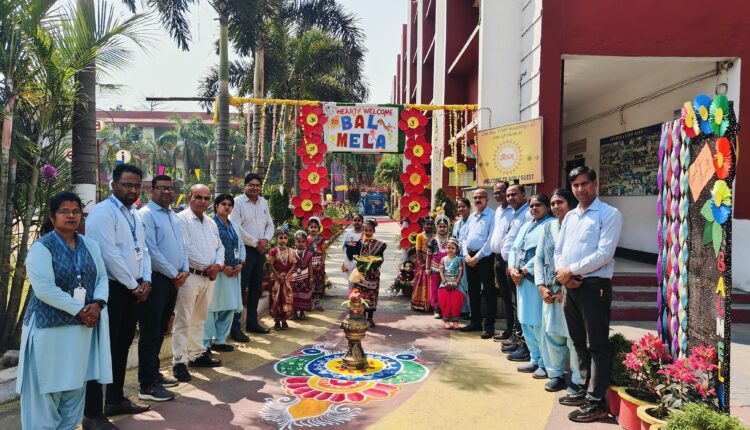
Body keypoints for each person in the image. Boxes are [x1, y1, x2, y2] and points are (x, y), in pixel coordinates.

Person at [18, 192, 112, 430]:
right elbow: (44, 289)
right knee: (45, 393)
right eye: (64, 211)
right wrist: (81, 309)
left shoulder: (90, 245)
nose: (71, 216)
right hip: (48, 331)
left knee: (74, 390)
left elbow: (102, 277)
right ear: (52, 217)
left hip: (81, 332)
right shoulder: (41, 247)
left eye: (76, 211)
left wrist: (98, 303)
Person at [84, 164, 151, 429]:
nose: (133, 190)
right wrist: (135, 285)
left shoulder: (133, 213)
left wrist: (145, 280)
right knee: (103, 350)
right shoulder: (103, 212)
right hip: (111, 290)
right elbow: (108, 255)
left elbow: (143, 249)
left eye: (137, 186)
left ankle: (115, 399)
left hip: (133, 289)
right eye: (127, 185)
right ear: (113, 185)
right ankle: (92, 414)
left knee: (122, 346)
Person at [555, 166, 623, 423]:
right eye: (575, 185)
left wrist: (571, 271)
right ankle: (584, 389)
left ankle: (596, 403)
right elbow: (559, 250)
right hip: (570, 285)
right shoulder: (571, 216)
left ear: (595, 184)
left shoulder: (609, 214)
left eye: (585, 183)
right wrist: (564, 274)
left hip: (595, 286)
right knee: (578, 341)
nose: (580, 189)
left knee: (597, 344)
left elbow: (604, 254)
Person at [137, 175, 186, 403]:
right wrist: (174, 273)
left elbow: (182, 247)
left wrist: (184, 270)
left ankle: (154, 373)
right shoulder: (146, 215)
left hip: (173, 281)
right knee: (150, 332)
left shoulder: (173, 216)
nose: (166, 192)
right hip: (156, 280)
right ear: (151, 190)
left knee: (161, 329)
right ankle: (147, 384)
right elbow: (151, 251)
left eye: (170, 188)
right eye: (161, 188)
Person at [172, 184, 225, 382]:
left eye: (206, 198)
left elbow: (220, 248)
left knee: (200, 318)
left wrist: (218, 265)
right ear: (189, 198)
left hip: (208, 278)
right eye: (198, 197)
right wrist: (208, 267)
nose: (203, 201)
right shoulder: (181, 219)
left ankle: (197, 354)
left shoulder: (211, 222)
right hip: (190, 277)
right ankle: (179, 361)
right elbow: (185, 249)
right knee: (183, 320)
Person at [535, 188, 581, 393]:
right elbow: (539, 258)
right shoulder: (548, 227)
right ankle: (556, 375)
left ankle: (577, 379)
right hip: (549, 293)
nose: (555, 207)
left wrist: (566, 289)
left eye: (560, 202)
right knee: (552, 335)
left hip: (571, 292)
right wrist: (541, 286)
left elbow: (580, 260)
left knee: (572, 337)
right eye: (553, 203)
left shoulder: (578, 226)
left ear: (570, 203)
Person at [508, 195, 554, 380]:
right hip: (520, 280)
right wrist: (512, 268)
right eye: (531, 205)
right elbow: (514, 249)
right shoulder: (526, 225)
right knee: (525, 321)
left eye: (538, 205)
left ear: (547, 207)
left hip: (535, 279)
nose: (534, 208)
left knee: (537, 323)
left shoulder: (550, 225)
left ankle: (544, 362)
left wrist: (524, 270)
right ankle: (534, 358)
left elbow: (543, 253)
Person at [230, 173, 274, 338]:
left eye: (257, 185)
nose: (255, 188)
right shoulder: (237, 203)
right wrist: (256, 242)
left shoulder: (263, 202)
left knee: (256, 287)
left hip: (260, 250)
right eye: (251, 185)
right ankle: (235, 327)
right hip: (244, 250)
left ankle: (252, 322)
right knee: (240, 288)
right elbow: (236, 227)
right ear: (245, 186)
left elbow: (270, 224)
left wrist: (265, 240)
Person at [204, 194, 245, 352]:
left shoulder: (234, 226)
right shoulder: (210, 224)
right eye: (223, 204)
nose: (227, 207)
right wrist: (223, 266)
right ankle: (205, 343)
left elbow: (241, 246)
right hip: (218, 274)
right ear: (216, 206)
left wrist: (241, 263)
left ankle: (220, 341)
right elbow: (209, 248)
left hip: (233, 273)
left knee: (228, 308)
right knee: (212, 309)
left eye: (229, 204)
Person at [501, 185, 533, 361]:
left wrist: (518, 267)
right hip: (511, 266)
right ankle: (517, 338)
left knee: (522, 306)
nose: (510, 198)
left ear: (523, 195)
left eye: (514, 194)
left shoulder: (527, 214)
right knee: (515, 304)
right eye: (508, 195)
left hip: (522, 270)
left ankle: (524, 344)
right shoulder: (514, 214)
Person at [460, 189, 496, 339]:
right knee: (473, 291)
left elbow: (491, 240)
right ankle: (475, 322)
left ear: (487, 199)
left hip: (484, 258)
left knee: (488, 293)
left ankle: (489, 327)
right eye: (475, 198)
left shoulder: (493, 216)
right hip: (469, 257)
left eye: (481, 197)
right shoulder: (472, 217)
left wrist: (477, 257)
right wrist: (466, 255)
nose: (477, 200)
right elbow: (463, 237)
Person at [488, 181, 514, 341]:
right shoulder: (498, 210)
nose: (499, 195)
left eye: (501, 192)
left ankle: (514, 331)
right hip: (497, 259)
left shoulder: (515, 211)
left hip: (509, 261)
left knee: (513, 297)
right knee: (505, 296)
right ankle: (509, 329)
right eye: (496, 192)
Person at [350, 219, 387, 327]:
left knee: (372, 296)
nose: (368, 232)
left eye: (370, 230)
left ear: (374, 231)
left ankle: (370, 318)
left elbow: (381, 258)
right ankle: (362, 316)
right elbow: (355, 255)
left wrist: (375, 262)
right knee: (360, 295)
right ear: (363, 230)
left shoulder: (379, 245)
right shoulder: (359, 243)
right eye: (366, 230)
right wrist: (357, 259)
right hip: (361, 274)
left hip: (372, 274)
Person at [268, 228, 296, 330]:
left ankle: (284, 320)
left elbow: (294, 264)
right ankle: (277, 321)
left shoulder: (291, 251)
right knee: (276, 299)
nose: (283, 240)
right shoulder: (273, 251)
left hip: (287, 279)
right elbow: (270, 264)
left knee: (287, 299)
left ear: (288, 239)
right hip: (276, 279)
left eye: (285, 238)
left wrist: (287, 275)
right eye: (280, 238)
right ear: (276, 239)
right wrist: (278, 276)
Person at [438, 238, 465, 329]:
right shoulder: (443, 259)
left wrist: (456, 283)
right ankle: (446, 320)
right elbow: (441, 272)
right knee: (444, 300)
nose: (450, 250)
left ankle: (455, 321)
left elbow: (461, 272)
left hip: (456, 284)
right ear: (445, 248)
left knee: (456, 301)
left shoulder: (459, 259)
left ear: (456, 249)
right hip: (445, 283)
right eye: (448, 248)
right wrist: (445, 282)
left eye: (453, 248)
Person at [427, 216, 451, 319]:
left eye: (444, 226)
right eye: (440, 226)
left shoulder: (451, 240)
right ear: (437, 227)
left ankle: (445, 309)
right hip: (434, 268)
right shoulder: (432, 240)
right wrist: (427, 268)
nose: (442, 228)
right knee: (434, 288)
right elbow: (428, 256)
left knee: (446, 288)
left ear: (448, 227)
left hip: (448, 269)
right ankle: (436, 309)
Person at [410, 216, 435, 311]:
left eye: (431, 224)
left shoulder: (435, 236)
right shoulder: (420, 236)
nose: (429, 226)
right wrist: (423, 263)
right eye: (427, 224)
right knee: (421, 280)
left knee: (432, 281)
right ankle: (420, 303)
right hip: (422, 260)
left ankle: (431, 303)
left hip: (432, 260)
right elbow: (418, 251)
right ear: (423, 225)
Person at [452, 197, 471, 316]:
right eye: (459, 206)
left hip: (468, 257)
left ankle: (470, 311)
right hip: (458, 257)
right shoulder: (457, 223)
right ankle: (462, 310)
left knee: (469, 285)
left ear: (469, 207)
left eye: (463, 206)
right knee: (459, 284)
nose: (461, 209)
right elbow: (454, 238)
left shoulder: (472, 221)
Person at [292, 230, 314, 319]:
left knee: (303, 295)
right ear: (295, 242)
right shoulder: (292, 253)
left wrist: (311, 277)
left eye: (303, 241)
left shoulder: (309, 254)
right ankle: (294, 312)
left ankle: (302, 312)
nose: (301, 243)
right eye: (299, 241)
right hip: (294, 278)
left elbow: (310, 266)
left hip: (305, 279)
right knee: (294, 295)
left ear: (306, 243)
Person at [306, 217, 327, 311]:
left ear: (318, 228)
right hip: (309, 265)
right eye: (311, 227)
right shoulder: (306, 240)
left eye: (315, 227)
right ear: (308, 228)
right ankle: (309, 303)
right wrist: (309, 265)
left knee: (318, 284)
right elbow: (305, 253)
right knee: (310, 284)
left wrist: (322, 264)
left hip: (319, 266)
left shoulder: (321, 239)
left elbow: (324, 252)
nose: (313, 229)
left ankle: (317, 303)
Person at [341, 213, 364, 287]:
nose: (356, 222)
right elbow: (344, 246)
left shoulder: (364, 233)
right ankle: (351, 294)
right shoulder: (348, 233)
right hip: (350, 261)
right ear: (352, 221)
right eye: (355, 220)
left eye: (359, 220)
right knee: (351, 282)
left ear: (362, 222)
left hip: (361, 261)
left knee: (360, 282)